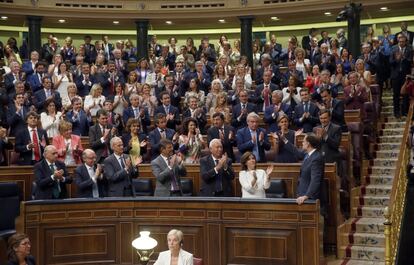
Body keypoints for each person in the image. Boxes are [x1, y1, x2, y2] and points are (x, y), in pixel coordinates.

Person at [296, 133, 324, 205]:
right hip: (302, 194)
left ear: (308, 144)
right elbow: (294, 151)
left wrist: (306, 196)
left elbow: (315, 180)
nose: (302, 143)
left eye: (303, 141)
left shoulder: (316, 158)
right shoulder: (307, 155)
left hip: (310, 198)